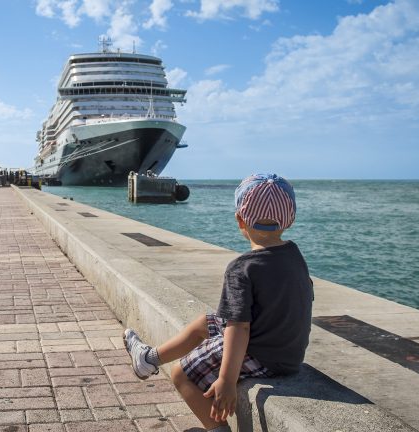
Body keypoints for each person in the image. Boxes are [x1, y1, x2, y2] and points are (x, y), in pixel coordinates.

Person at [123, 173, 313, 432]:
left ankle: (217, 429)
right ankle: (149, 359)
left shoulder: (241, 268)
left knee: (181, 374)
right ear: (289, 220)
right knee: (206, 322)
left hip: (263, 356)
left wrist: (226, 379)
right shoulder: (294, 255)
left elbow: (239, 327)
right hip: (289, 353)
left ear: (239, 220)